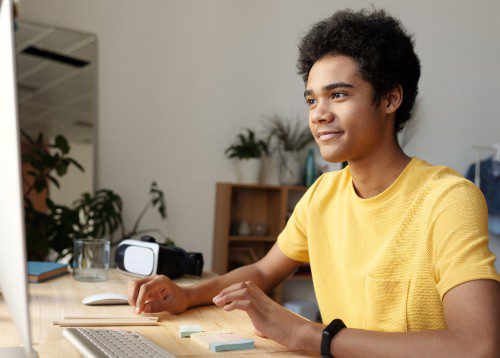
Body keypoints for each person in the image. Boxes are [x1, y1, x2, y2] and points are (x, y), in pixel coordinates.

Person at [128, 8, 500, 356]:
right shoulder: (322, 194)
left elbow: (478, 345)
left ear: (390, 99)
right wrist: (187, 294)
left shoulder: (448, 199)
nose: (319, 114)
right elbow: (262, 271)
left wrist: (306, 334)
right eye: (311, 100)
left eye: (338, 95)